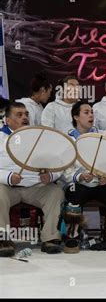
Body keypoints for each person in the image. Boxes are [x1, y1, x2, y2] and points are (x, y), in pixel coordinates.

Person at [61, 101, 106, 253]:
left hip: (100, 183)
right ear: (76, 117)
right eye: (86, 112)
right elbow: (65, 170)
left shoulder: (101, 137)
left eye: (92, 112)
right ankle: (72, 236)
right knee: (75, 193)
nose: (91, 115)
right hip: (79, 183)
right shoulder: (69, 140)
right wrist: (80, 176)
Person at [0, 102, 64, 256]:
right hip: (7, 187)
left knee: (55, 192)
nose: (25, 118)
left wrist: (51, 176)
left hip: (36, 187)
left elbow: (59, 164)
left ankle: (50, 238)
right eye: (19, 115)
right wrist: (8, 177)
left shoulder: (40, 137)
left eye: (26, 114)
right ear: (7, 120)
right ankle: (3, 239)